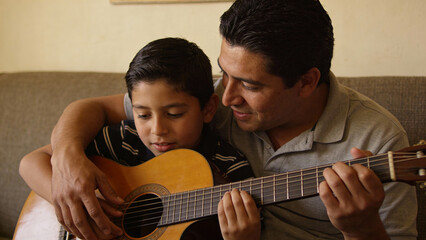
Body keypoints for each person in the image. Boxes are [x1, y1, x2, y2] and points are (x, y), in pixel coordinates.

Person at [36, 0, 418, 239]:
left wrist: (361, 229)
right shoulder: (198, 106)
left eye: (250, 84)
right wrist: (67, 161)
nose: (226, 95)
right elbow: (92, 109)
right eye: (225, 72)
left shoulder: (380, 139)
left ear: (306, 81)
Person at [19, 37, 255, 240]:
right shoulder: (124, 140)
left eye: (174, 114)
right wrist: (78, 209)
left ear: (208, 109)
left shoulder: (230, 169)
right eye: (142, 114)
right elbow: (30, 163)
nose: (157, 129)